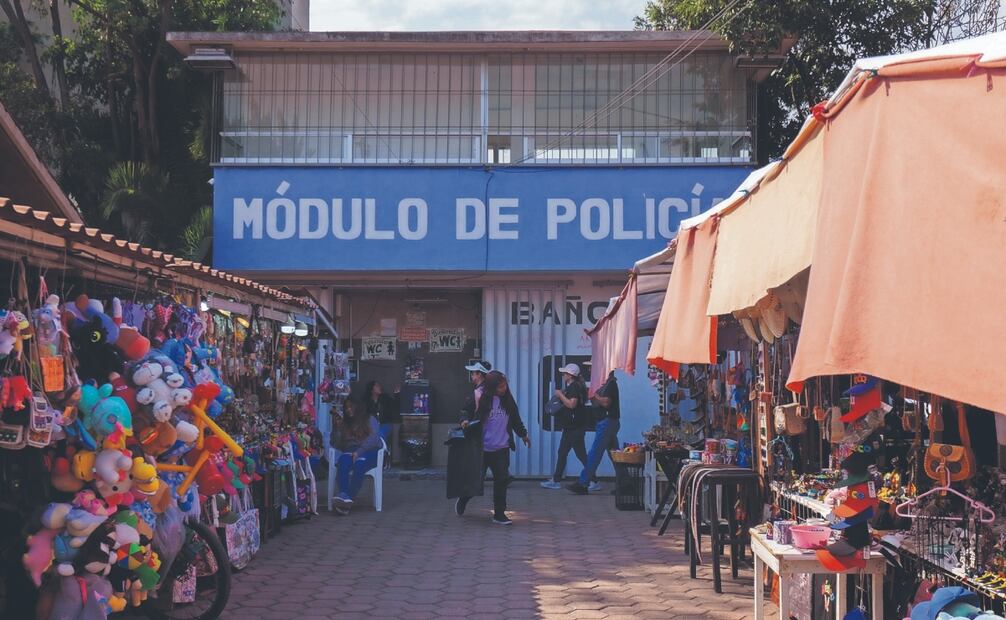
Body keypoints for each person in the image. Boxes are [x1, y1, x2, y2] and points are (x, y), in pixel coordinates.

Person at [456, 370, 530, 525]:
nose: (504, 389)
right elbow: (464, 410)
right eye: (500, 387)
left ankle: (499, 514)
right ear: (491, 387)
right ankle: (463, 499)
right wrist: (463, 420)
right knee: (476, 481)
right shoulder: (479, 396)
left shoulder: (508, 400)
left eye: (505, 386)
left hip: (501, 448)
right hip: (482, 448)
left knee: (501, 481)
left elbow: (516, 419)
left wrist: (523, 434)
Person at [567, 371, 620, 495]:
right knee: (615, 455)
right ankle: (626, 484)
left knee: (595, 453)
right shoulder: (605, 385)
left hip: (607, 422)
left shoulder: (610, 384)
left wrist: (593, 394)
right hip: (607, 422)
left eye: (593, 367)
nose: (591, 370)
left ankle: (583, 482)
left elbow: (606, 402)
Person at [329, 397, 383, 514]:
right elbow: (336, 444)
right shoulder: (346, 423)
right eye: (346, 407)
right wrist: (336, 428)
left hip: (370, 450)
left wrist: (360, 451)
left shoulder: (369, 419)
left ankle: (347, 498)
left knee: (360, 463)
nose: (348, 410)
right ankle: (344, 496)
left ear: (357, 407)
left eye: (351, 406)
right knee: (343, 462)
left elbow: (374, 439)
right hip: (351, 451)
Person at [541, 363, 590, 490]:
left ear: (570, 375)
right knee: (563, 452)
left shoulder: (574, 387)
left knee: (581, 455)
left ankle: (593, 479)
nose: (563, 375)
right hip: (571, 427)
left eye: (565, 373)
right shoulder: (576, 386)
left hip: (574, 427)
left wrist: (560, 395)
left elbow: (572, 404)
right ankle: (556, 479)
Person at [363, 380, 399, 463]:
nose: (380, 387)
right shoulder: (366, 401)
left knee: (380, 433)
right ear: (372, 389)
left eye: (379, 385)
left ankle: (381, 455)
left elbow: (395, 406)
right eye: (377, 386)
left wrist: (397, 394)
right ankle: (375, 456)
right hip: (371, 426)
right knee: (372, 433)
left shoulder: (385, 399)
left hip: (385, 424)